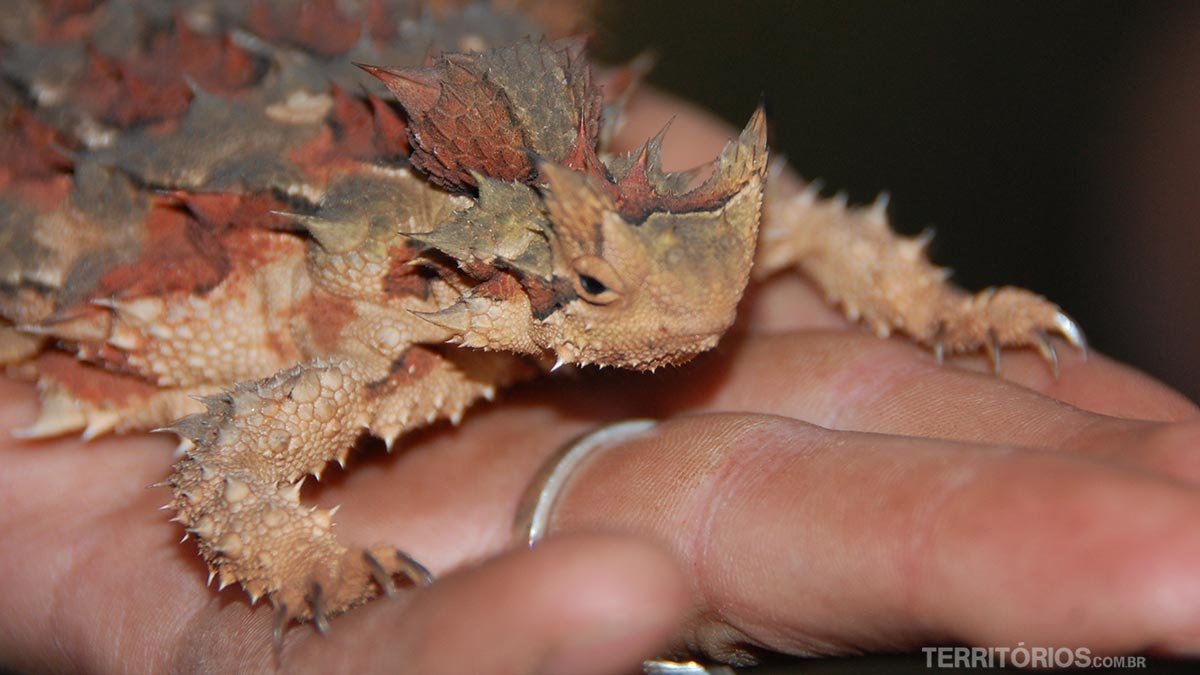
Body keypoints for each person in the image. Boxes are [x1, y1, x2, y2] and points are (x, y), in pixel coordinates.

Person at [1, 90, 1196, 675]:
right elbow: (225, 480)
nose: (697, 319)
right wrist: (319, 567)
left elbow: (817, 229)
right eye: (603, 290)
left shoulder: (637, 229)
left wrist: (939, 311)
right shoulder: (387, 341)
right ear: (472, 284)